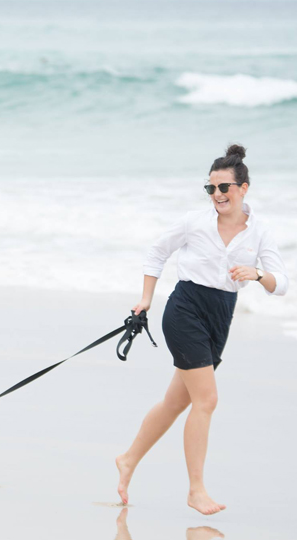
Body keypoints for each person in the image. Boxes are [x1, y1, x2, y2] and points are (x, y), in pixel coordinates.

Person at [115, 145, 288, 515]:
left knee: (178, 402)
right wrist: (146, 299)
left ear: (243, 188)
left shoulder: (260, 231)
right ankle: (196, 490)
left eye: (224, 188)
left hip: (220, 316)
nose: (217, 196)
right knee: (206, 400)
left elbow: (282, 283)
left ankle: (128, 459)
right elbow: (156, 253)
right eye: (211, 189)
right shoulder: (195, 221)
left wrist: (257, 274)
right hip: (185, 309)